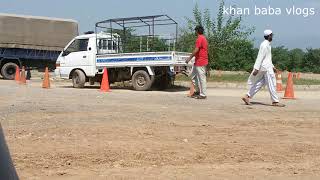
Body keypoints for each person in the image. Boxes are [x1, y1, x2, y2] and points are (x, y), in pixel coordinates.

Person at [242, 29, 285, 107]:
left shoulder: (267, 44)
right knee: (272, 83)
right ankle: (275, 101)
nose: (272, 36)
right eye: (272, 35)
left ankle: (247, 96)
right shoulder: (264, 45)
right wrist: (256, 68)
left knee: (261, 83)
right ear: (269, 36)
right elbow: (260, 57)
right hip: (266, 68)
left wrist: (273, 67)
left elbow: (267, 58)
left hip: (266, 67)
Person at [185, 25, 208, 99]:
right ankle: (198, 91)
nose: (195, 32)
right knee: (193, 75)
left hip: (201, 61)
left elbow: (196, 49)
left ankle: (203, 94)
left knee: (202, 78)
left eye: (195, 31)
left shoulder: (200, 38)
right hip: (198, 61)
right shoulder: (203, 38)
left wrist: (189, 58)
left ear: (197, 31)